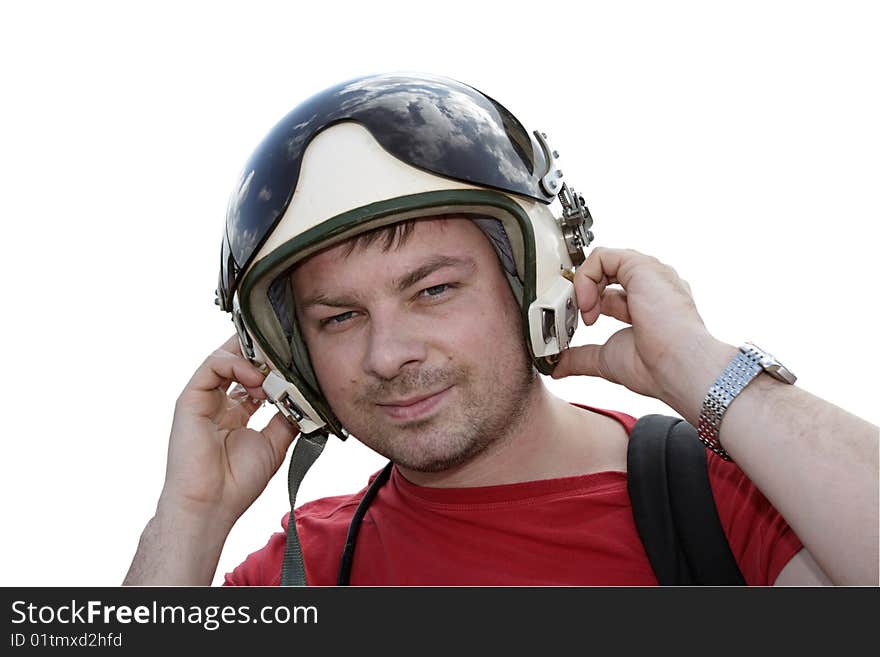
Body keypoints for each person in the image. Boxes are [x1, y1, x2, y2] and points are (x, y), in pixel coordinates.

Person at [124, 73, 878, 586]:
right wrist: (187, 520)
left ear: (536, 281)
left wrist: (702, 366)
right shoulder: (308, 567)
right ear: (291, 359)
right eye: (340, 317)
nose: (388, 355)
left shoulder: (723, 501)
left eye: (434, 289)